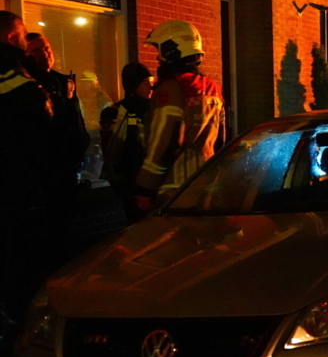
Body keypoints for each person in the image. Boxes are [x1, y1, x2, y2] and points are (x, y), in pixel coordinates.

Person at [135, 21, 226, 209]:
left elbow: (165, 142)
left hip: (174, 190)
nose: (158, 58)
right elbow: (221, 139)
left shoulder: (171, 88)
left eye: (159, 50)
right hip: (206, 180)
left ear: (171, 51)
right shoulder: (212, 88)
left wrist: (145, 187)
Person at [0, 12, 52, 323]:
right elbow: (43, 131)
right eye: (23, 36)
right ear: (11, 39)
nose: (26, 40)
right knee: (21, 256)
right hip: (18, 184)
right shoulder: (19, 80)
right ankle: (20, 321)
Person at [24, 32, 90, 267]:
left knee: (64, 231)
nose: (46, 54)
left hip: (66, 170)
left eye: (47, 48)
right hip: (42, 174)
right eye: (37, 50)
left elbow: (75, 121)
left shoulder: (63, 81)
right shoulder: (27, 85)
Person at [102, 63, 154, 219]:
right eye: (146, 83)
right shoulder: (115, 113)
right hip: (130, 184)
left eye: (152, 83)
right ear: (133, 86)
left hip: (152, 183)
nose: (151, 88)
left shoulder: (156, 110)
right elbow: (112, 153)